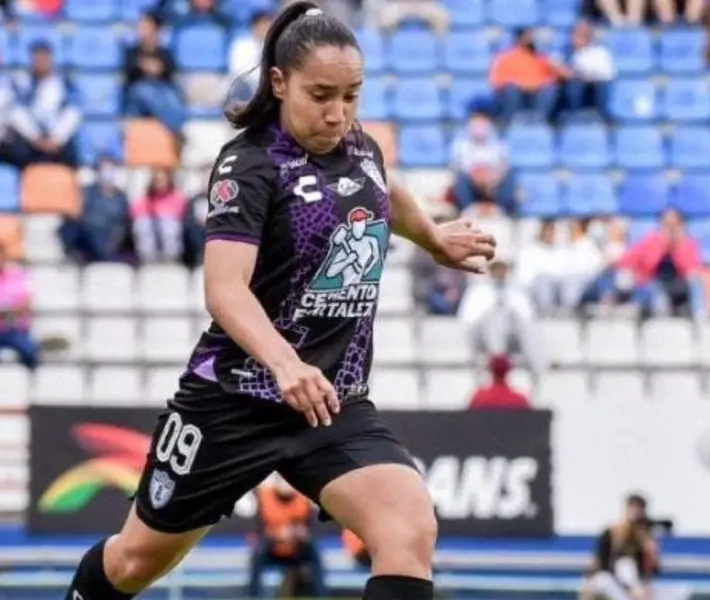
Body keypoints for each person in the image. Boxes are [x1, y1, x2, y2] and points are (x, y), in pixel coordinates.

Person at [60, 3, 496, 599]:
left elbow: (380, 184)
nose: (339, 113)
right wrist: (285, 364)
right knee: (135, 562)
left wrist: (434, 235)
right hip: (233, 401)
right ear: (279, 82)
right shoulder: (250, 165)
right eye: (321, 95)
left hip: (328, 403)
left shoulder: (358, 144)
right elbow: (224, 289)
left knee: (408, 527)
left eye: (352, 96)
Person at [247, 476, 327, 598]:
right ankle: (255, 596)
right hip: (272, 548)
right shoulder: (264, 497)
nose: (286, 486)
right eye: (283, 482)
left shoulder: (302, 498)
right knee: (258, 552)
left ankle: (321, 595)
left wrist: (301, 533)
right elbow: (258, 530)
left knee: (314, 550)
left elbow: (311, 528)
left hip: (297, 548)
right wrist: (276, 534)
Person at [578, 494, 662, 600]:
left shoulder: (646, 537)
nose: (635, 514)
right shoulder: (612, 532)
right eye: (632, 509)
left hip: (636, 585)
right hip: (613, 579)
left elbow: (652, 570)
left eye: (638, 510)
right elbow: (601, 561)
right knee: (611, 573)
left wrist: (651, 551)